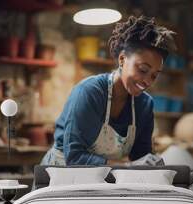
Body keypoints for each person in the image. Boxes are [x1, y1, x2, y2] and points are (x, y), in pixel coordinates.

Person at [41, 16, 176, 166]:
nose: (148, 81)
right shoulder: (90, 92)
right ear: (122, 59)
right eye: (143, 69)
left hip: (100, 182)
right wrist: (126, 167)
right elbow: (75, 157)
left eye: (154, 75)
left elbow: (141, 156)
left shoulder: (144, 105)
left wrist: (152, 165)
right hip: (59, 177)